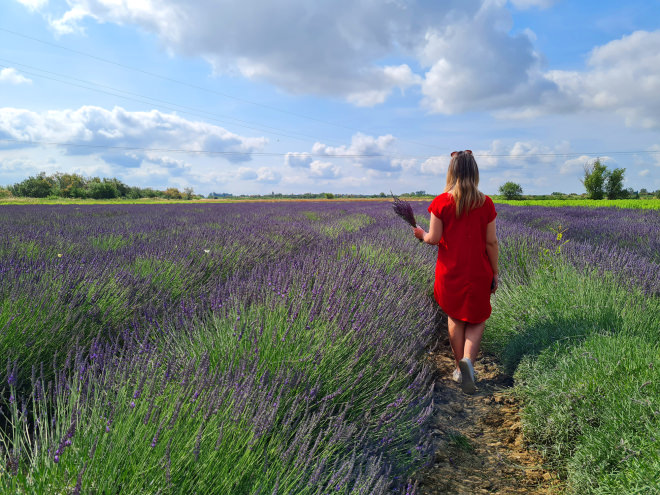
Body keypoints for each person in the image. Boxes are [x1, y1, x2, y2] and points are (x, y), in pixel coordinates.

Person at [413, 150, 499, 394]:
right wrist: (495, 271)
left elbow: (434, 238)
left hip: (450, 272)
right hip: (479, 271)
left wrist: (421, 234)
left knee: (455, 317)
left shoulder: (441, 202)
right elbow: (491, 242)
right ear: (475, 172)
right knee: (477, 319)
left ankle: (460, 370)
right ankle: (468, 363)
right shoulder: (486, 202)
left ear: (451, 171)